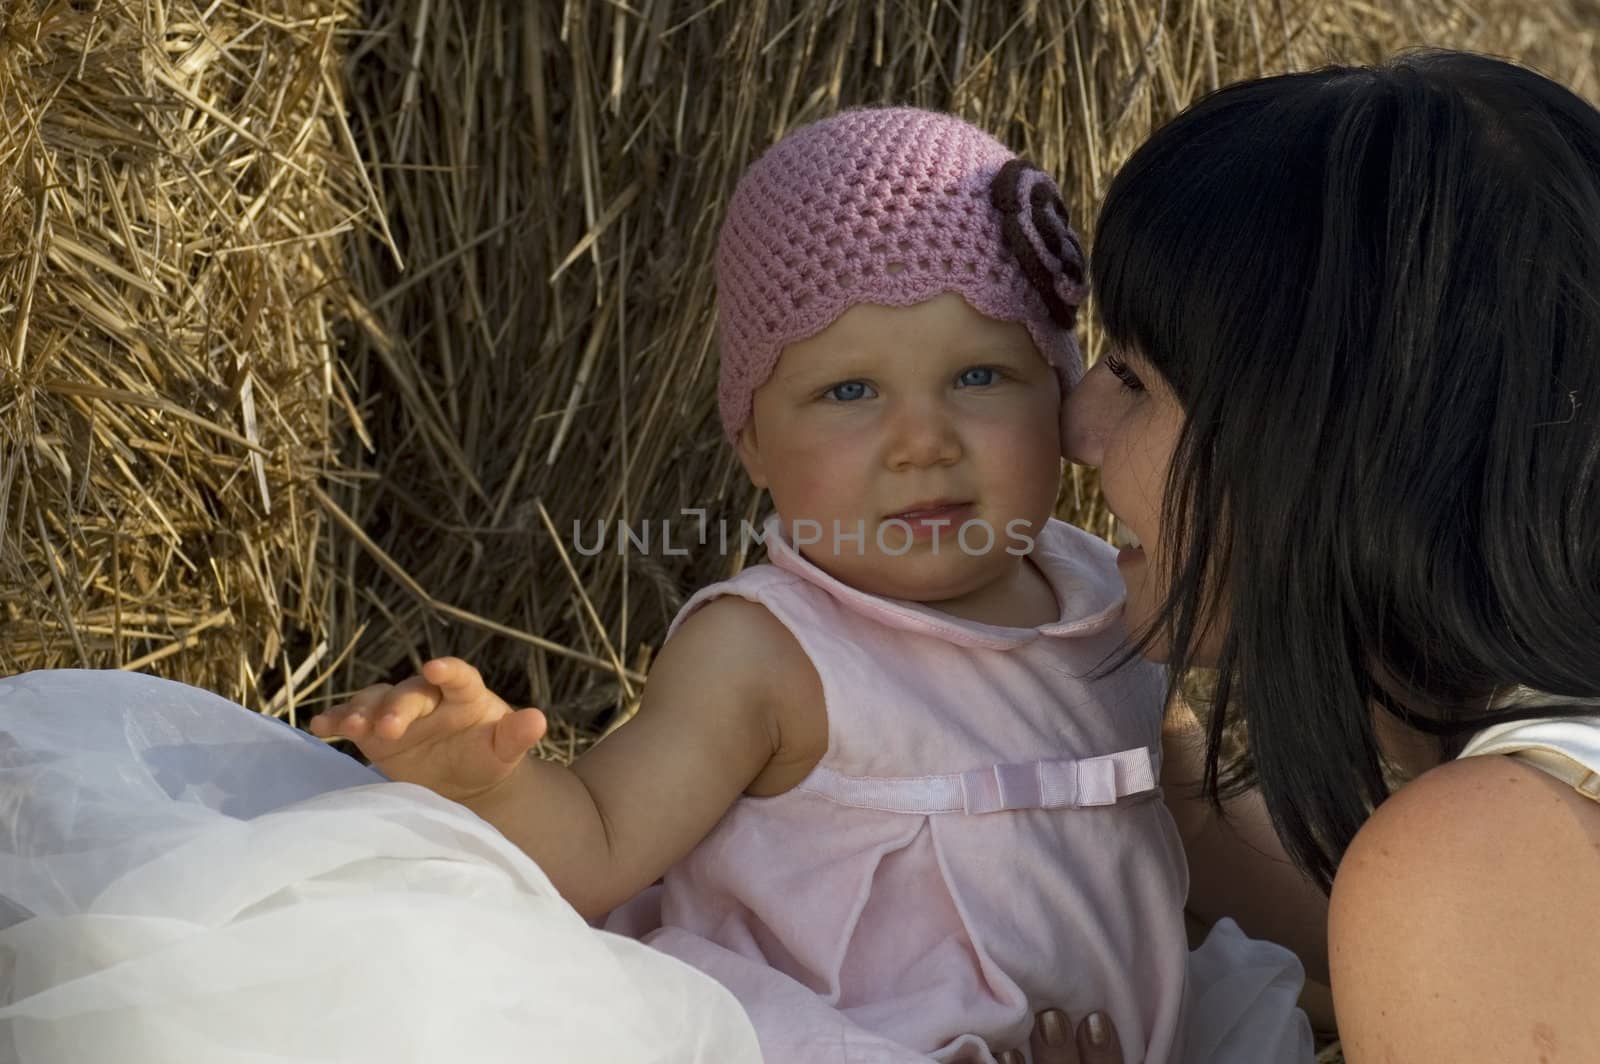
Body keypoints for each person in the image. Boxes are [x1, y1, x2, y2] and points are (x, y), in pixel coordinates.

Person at [311, 108, 1312, 1062]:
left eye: (978, 375)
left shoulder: (1101, 590)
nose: (922, 440)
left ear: (1060, 389)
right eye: (848, 390)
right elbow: (600, 841)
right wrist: (489, 780)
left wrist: (1369, 929)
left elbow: (1197, 815)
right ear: (750, 438)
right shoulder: (768, 652)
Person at [1057, 49, 1600, 1060]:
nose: (1071, 425)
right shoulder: (1530, 808)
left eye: (1130, 377)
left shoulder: (1479, 860)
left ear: (1309, 451)